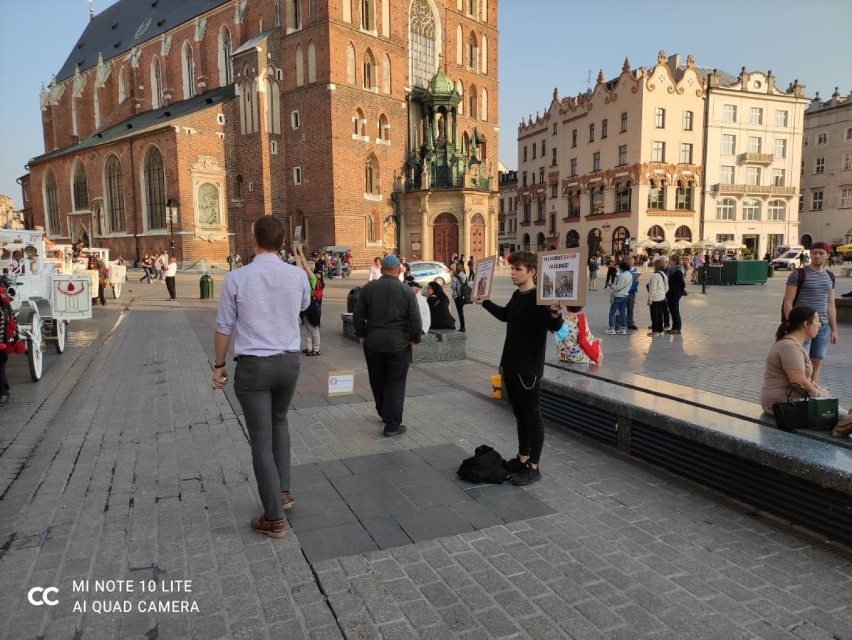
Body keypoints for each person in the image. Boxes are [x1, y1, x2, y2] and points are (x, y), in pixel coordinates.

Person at [212, 216, 311, 539]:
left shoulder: (237, 278)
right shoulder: (297, 276)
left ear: (254, 239)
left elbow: (224, 326)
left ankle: (273, 517)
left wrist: (219, 366)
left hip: (254, 366)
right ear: (282, 243)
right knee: (279, 422)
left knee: (260, 440)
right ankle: (283, 492)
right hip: (288, 362)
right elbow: (304, 306)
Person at [477, 250, 564, 486]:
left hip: (528, 368)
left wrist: (556, 312)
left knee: (532, 416)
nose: (513, 273)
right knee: (519, 414)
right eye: (512, 268)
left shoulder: (540, 298)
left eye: (518, 269)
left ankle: (534, 466)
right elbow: (506, 316)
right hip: (511, 364)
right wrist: (485, 302)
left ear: (532, 272)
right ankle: (522, 457)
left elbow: (554, 325)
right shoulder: (518, 295)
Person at [353, 255, 422, 437]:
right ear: (399, 269)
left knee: (377, 379)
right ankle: (392, 423)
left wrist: (361, 335)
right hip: (399, 344)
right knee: (396, 382)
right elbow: (415, 319)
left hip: (373, 343)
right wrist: (414, 339)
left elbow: (358, 315)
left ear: (382, 269)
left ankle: (384, 412)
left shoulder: (368, 289)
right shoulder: (406, 290)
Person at [781, 242, 837, 384]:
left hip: (822, 325)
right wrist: (791, 323)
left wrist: (834, 330)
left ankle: (812, 390)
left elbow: (831, 304)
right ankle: (800, 390)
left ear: (828, 255)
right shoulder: (798, 274)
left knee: (816, 360)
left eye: (821, 253)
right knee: (801, 361)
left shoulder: (830, 277)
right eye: (814, 253)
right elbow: (788, 301)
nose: (817, 256)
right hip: (803, 325)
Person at [759, 305, 831, 413]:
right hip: (782, 404)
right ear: (806, 324)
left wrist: (820, 390)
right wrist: (819, 395)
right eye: (817, 321)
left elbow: (805, 381)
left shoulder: (793, 344)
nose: (820, 325)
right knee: (838, 417)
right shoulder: (790, 347)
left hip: (790, 402)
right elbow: (799, 383)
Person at [294, 245, 322, 356]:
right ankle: (310, 348)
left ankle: (316, 349)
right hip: (307, 305)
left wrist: (300, 251)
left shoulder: (313, 278)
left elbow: (304, 265)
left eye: (307, 268)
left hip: (313, 305)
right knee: (308, 328)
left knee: (313, 328)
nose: (305, 269)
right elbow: (299, 265)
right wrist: (295, 252)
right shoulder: (304, 278)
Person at [605, 261, 632, 335]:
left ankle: (612, 328)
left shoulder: (622, 275)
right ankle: (623, 328)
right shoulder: (630, 275)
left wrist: (612, 286)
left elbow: (618, 287)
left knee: (612, 312)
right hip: (625, 295)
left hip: (618, 296)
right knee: (623, 312)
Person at [665, 258, 687, 335]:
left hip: (674, 293)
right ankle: (674, 327)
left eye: (670, 260)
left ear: (674, 261)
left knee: (675, 310)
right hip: (670, 293)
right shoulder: (670, 270)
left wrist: (680, 292)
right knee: (672, 310)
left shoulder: (677, 271)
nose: (669, 261)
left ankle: (677, 328)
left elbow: (682, 283)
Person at [647, 258, 668, 336]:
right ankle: (660, 330)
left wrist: (650, 299)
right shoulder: (664, 275)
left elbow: (652, 289)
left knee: (654, 315)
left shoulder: (655, 276)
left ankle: (655, 331)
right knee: (660, 315)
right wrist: (663, 293)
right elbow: (667, 287)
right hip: (662, 297)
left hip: (655, 298)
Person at [450, 263, 469, 332]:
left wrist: (452, 278)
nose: (452, 269)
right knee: (461, 311)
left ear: (456, 269)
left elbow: (453, 287)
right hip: (464, 296)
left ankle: (462, 327)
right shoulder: (464, 276)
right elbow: (467, 284)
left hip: (457, 296)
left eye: (453, 268)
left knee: (460, 312)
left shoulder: (455, 277)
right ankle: (462, 326)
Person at [625, 255, 640, 330]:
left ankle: (630, 323)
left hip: (632, 291)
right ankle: (620, 322)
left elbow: (637, 279)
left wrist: (637, 282)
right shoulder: (622, 269)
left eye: (632, 262)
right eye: (629, 262)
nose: (631, 263)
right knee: (621, 308)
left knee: (630, 307)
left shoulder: (635, 269)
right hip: (624, 291)